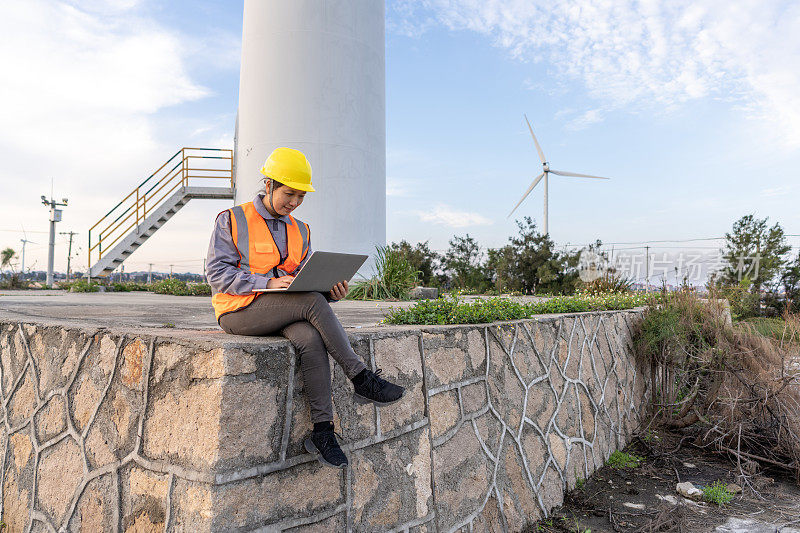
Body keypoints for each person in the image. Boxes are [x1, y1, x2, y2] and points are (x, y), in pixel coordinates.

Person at [205, 147, 404, 469]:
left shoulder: (302, 229)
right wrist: (266, 283)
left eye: (301, 196)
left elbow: (302, 280)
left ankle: (323, 432)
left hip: (284, 309)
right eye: (289, 193)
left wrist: (332, 291)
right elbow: (217, 274)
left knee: (310, 339)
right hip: (238, 311)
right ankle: (360, 377)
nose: (294, 202)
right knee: (311, 302)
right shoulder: (231, 219)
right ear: (268, 185)